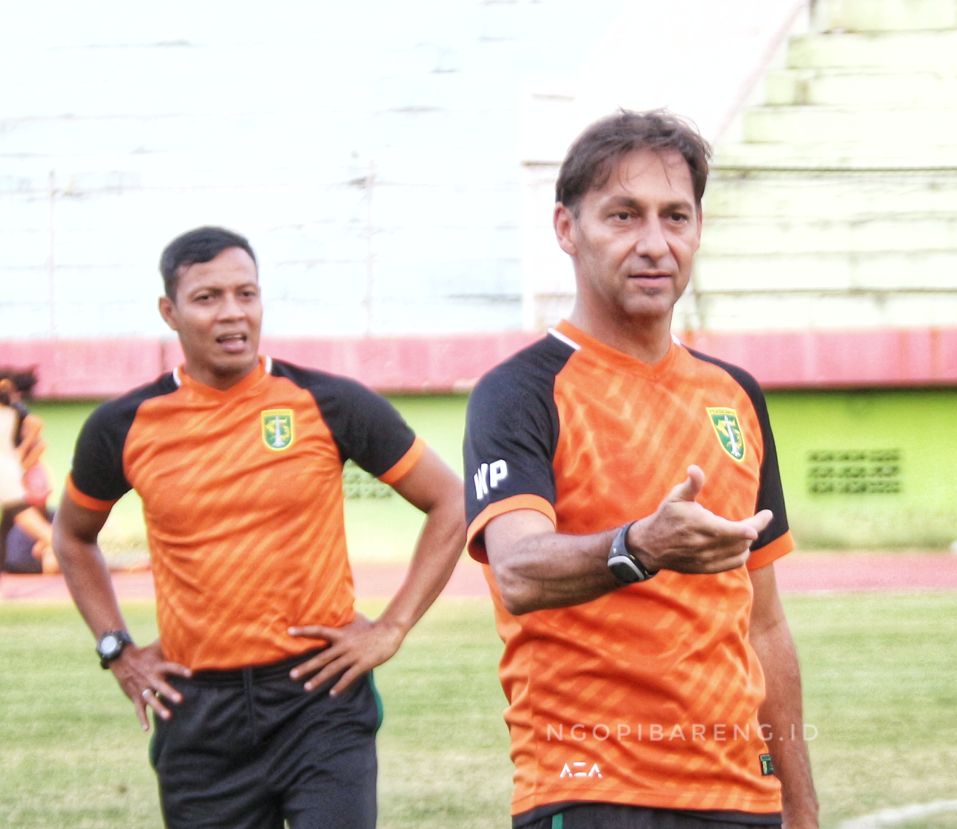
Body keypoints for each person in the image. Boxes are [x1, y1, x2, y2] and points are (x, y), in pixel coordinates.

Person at [463, 110, 819, 828]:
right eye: (623, 215)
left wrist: (800, 808)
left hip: (736, 795)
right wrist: (640, 545)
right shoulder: (521, 390)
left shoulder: (735, 396)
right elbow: (519, 570)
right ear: (568, 228)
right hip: (592, 787)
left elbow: (766, 625)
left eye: (675, 217)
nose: (654, 244)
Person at [52, 226, 467, 829]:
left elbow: (451, 502)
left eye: (247, 294)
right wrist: (117, 648)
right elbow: (71, 535)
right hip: (199, 715)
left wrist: (391, 627)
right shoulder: (123, 425)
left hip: (319, 699)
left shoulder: (329, 402)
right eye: (207, 298)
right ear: (169, 312)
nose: (233, 314)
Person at [0, 371, 56, 575]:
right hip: (8, 468)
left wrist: (22, 452)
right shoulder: (11, 411)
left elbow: (38, 431)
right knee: (11, 518)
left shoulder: (11, 409)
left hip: (5, 469)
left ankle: (58, 546)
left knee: (22, 514)